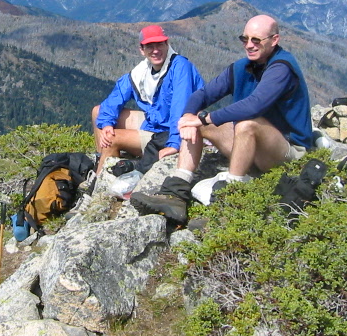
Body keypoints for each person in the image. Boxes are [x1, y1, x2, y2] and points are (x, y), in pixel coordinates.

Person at [131, 15, 312, 225]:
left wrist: (205, 118)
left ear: (274, 40)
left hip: (288, 149)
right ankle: (176, 193)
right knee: (200, 125)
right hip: (254, 147)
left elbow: (255, 104)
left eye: (256, 40)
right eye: (244, 39)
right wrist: (190, 117)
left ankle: (229, 205)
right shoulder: (241, 68)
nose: (249, 45)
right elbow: (203, 94)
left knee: (247, 123)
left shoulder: (281, 68)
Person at [92, 24, 204, 175]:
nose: (156, 50)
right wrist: (106, 123)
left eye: (160, 44)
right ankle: (103, 159)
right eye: (150, 46)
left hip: (169, 131)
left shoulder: (179, 67)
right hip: (155, 122)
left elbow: (181, 110)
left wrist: (174, 144)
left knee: (111, 138)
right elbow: (117, 96)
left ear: (167, 44)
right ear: (142, 50)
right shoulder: (142, 72)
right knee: (98, 112)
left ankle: (100, 184)